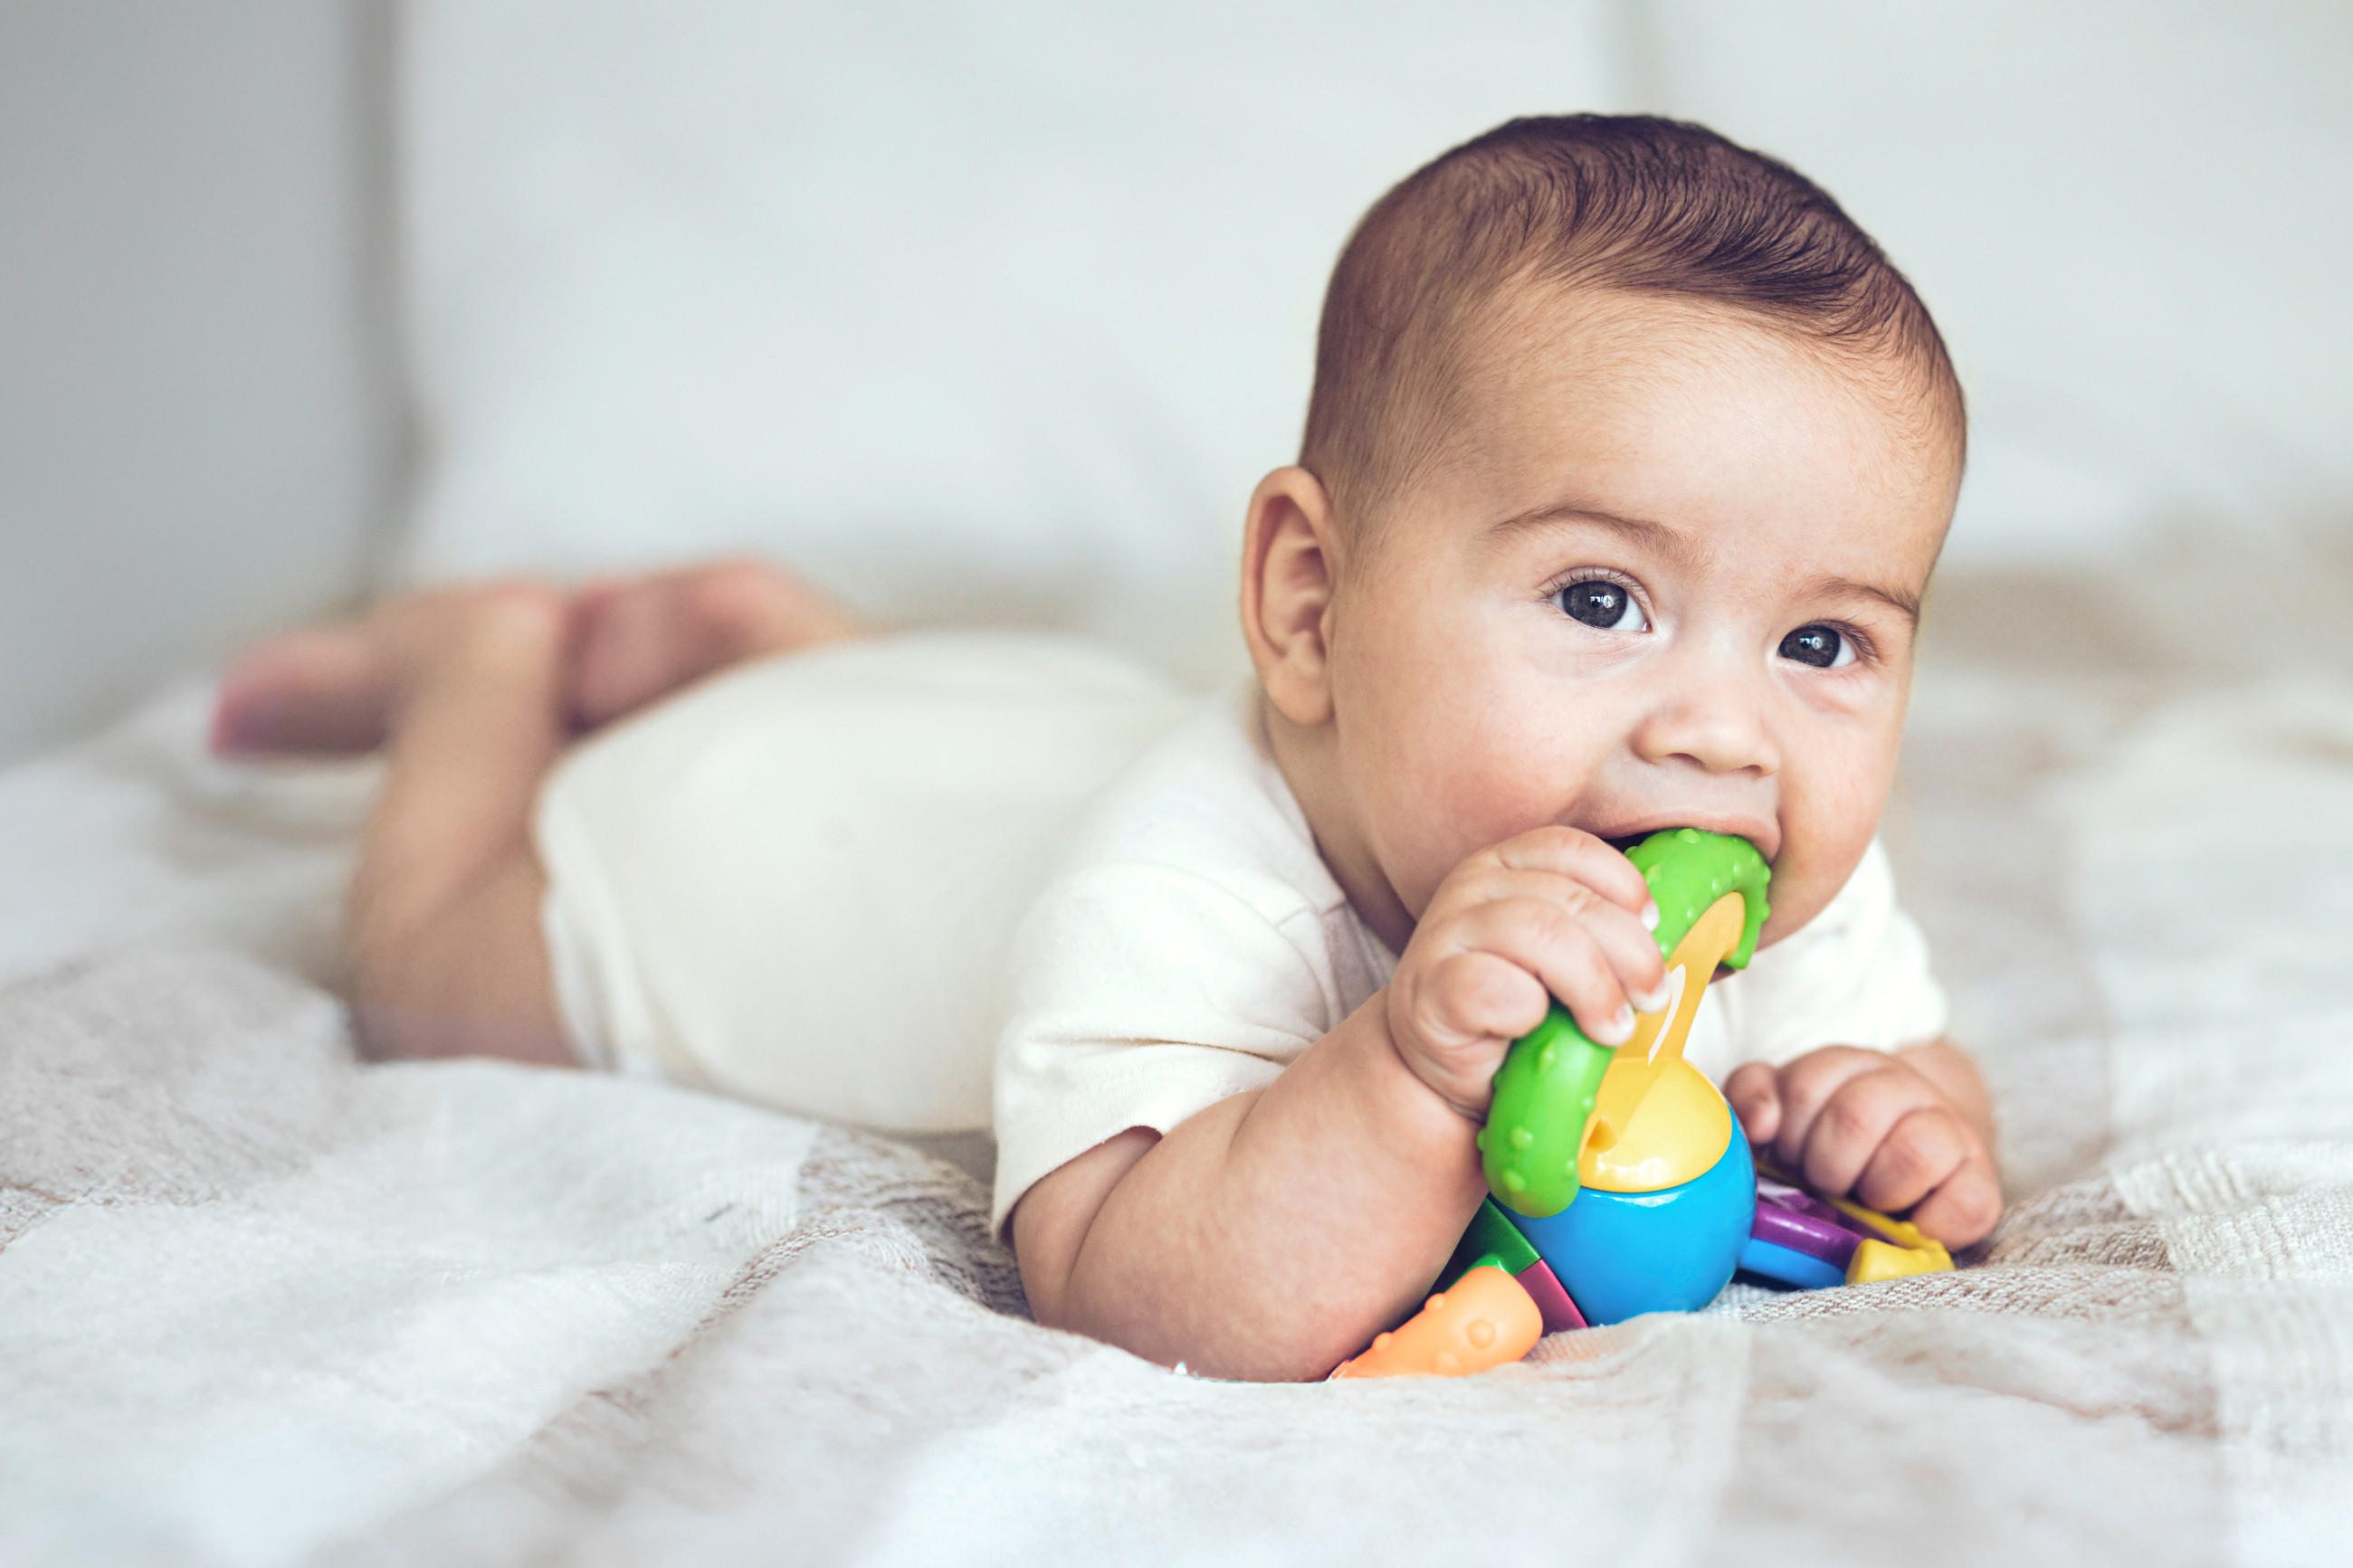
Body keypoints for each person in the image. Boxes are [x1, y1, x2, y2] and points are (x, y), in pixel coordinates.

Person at [216, 115, 1998, 1383]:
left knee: (965, 734)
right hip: (735, 859)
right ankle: (479, 668)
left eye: (1821, 644)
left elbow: (1896, 1046)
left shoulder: (1748, 855)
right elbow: (1131, 1290)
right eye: (1601, 600)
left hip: (988, 736)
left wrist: (1893, 1117)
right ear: (1309, 604)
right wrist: (1404, 1075)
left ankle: (772, 637)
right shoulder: (1179, 885)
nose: (1722, 736)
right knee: (426, 980)